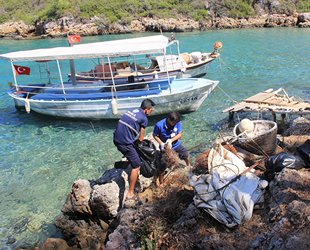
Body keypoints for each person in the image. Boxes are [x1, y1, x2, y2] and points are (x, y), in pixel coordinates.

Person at [113, 99, 156, 200]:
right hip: (125, 144)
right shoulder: (144, 118)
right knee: (136, 165)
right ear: (146, 109)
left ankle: (128, 158)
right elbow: (141, 139)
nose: (150, 112)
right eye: (151, 110)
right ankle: (130, 193)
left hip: (116, 139)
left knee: (132, 150)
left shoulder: (131, 111)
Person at [153, 111, 191, 187]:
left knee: (185, 154)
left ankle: (189, 167)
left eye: (176, 123)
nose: (175, 124)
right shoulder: (159, 125)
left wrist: (171, 140)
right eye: (174, 123)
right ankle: (161, 182)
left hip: (175, 144)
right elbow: (155, 135)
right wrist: (161, 143)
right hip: (165, 148)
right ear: (169, 120)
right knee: (162, 165)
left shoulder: (177, 122)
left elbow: (179, 134)